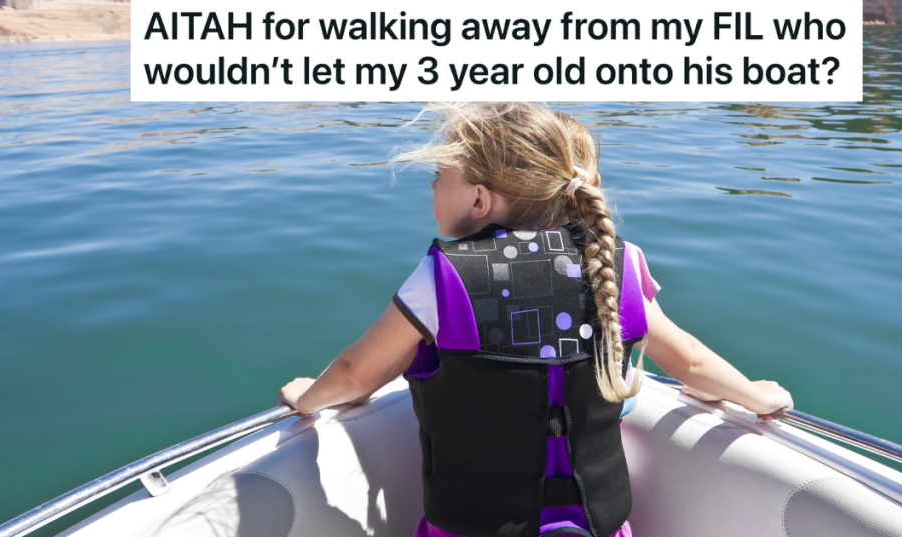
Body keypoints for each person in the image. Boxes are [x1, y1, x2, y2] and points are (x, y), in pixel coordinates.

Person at [278, 102, 793, 537]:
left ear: (479, 199)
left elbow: (354, 373)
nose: (432, 186)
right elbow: (691, 360)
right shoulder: (618, 264)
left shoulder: (443, 276)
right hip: (598, 525)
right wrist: (755, 395)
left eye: (440, 177)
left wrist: (307, 396)